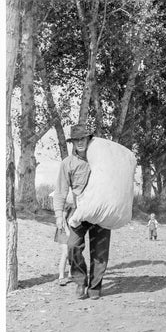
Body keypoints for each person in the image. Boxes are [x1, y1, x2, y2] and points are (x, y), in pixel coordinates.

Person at [53, 124, 111, 300]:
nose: (80, 142)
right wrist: (58, 215)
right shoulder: (67, 164)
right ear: (72, 142)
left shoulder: (102, 160)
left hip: (101, 213)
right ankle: (80, 282)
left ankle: (95, 287)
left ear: (89, 140)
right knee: (72, 246)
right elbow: (61, 191)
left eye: (83, 138)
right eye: (76, 139)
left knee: (100, 252)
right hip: (80, 213)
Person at [50, 191, 74, 286]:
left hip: (72, 231)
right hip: (64, 230)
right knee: (66, 253)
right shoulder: (65, 207)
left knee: (72, 252)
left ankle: (71, 274)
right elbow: (63, 220)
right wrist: (67, 231)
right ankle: (61, 276)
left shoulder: (74, 207)